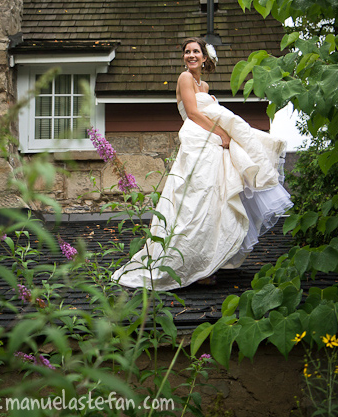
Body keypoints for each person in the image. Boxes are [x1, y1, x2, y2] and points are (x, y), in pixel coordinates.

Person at [112, 37, 293, 290]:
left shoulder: (204, 86)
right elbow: (194, 113)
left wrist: (222, 134)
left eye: (195, 51)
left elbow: (207, 111)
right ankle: (187, 262)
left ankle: (209, 260)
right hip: (199, 139)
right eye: (187, 52)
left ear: (204, 57)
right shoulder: (184, 78)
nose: (191, 55)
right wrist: (222, 134)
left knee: (214, 199)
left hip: (211, 142)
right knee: (194, 199)